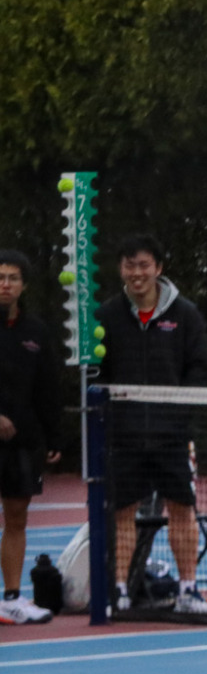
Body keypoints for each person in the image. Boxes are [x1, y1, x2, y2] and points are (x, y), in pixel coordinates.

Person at [96, 234, 207, 614]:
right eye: (129, 266)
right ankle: (119, 592)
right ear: (121, 270)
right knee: (122, 512)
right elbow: (95, 373)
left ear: (158, 268)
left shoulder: (186, 315)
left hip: (172, 436)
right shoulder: (106, 316)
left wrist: (178, 410)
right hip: (125, 436)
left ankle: (188, 591)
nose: (136, 273)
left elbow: (200, 368)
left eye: (144, 265)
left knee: (181, 509)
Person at [0, 249, 64, 624]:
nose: (4, 284)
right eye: (0, 277)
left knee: (17, 517)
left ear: (23, 285)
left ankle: (10, 597)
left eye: (12, 278)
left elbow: (48, 389)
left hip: (24, 444)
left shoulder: (36, 332)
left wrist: (54, 435)